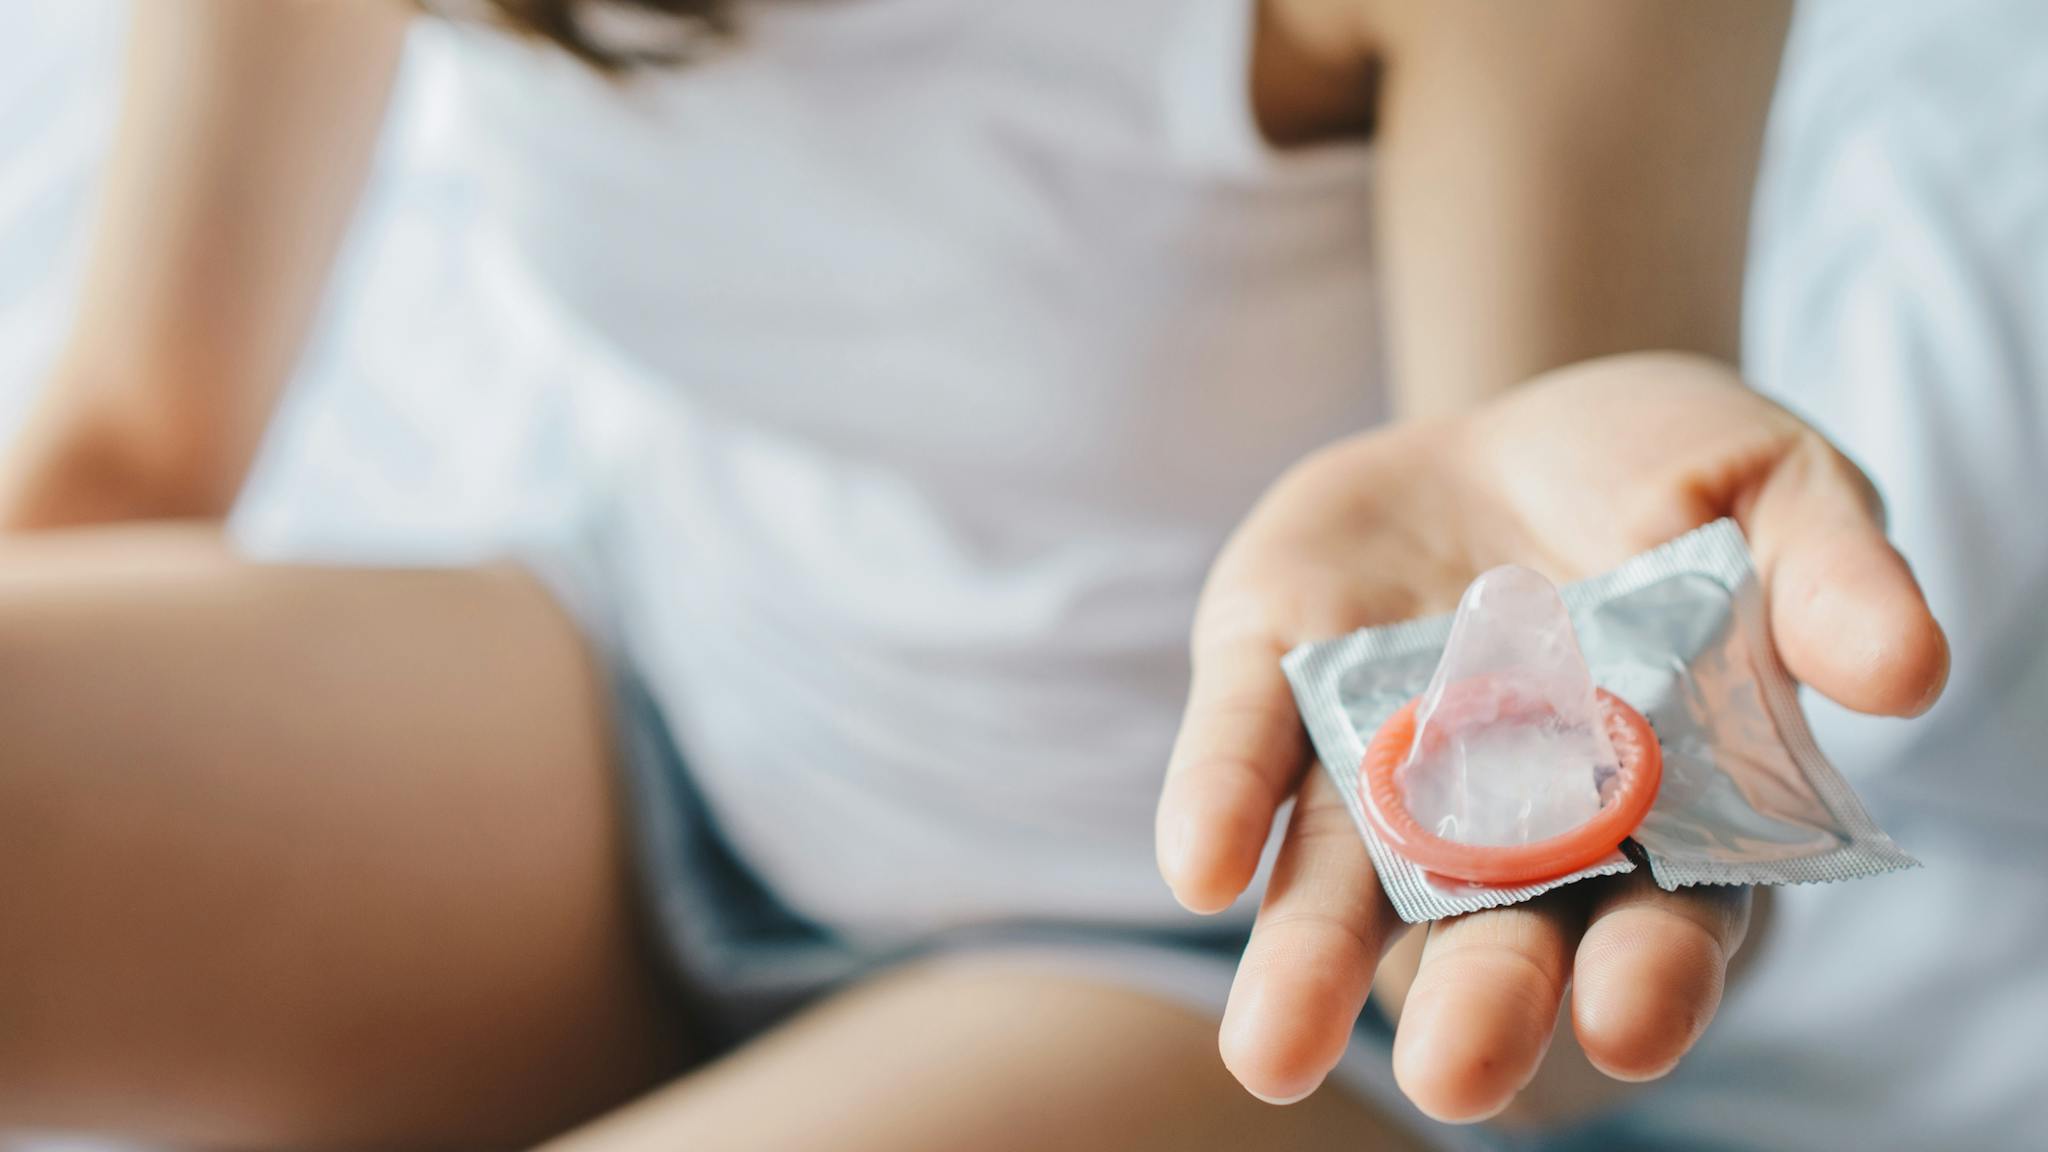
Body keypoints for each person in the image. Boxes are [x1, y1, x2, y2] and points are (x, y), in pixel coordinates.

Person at [0, 1, 1947, 1148]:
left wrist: (1644, 808)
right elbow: (136, 436)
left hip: (1220, 978)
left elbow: (1569, 837)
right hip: (653, 718)